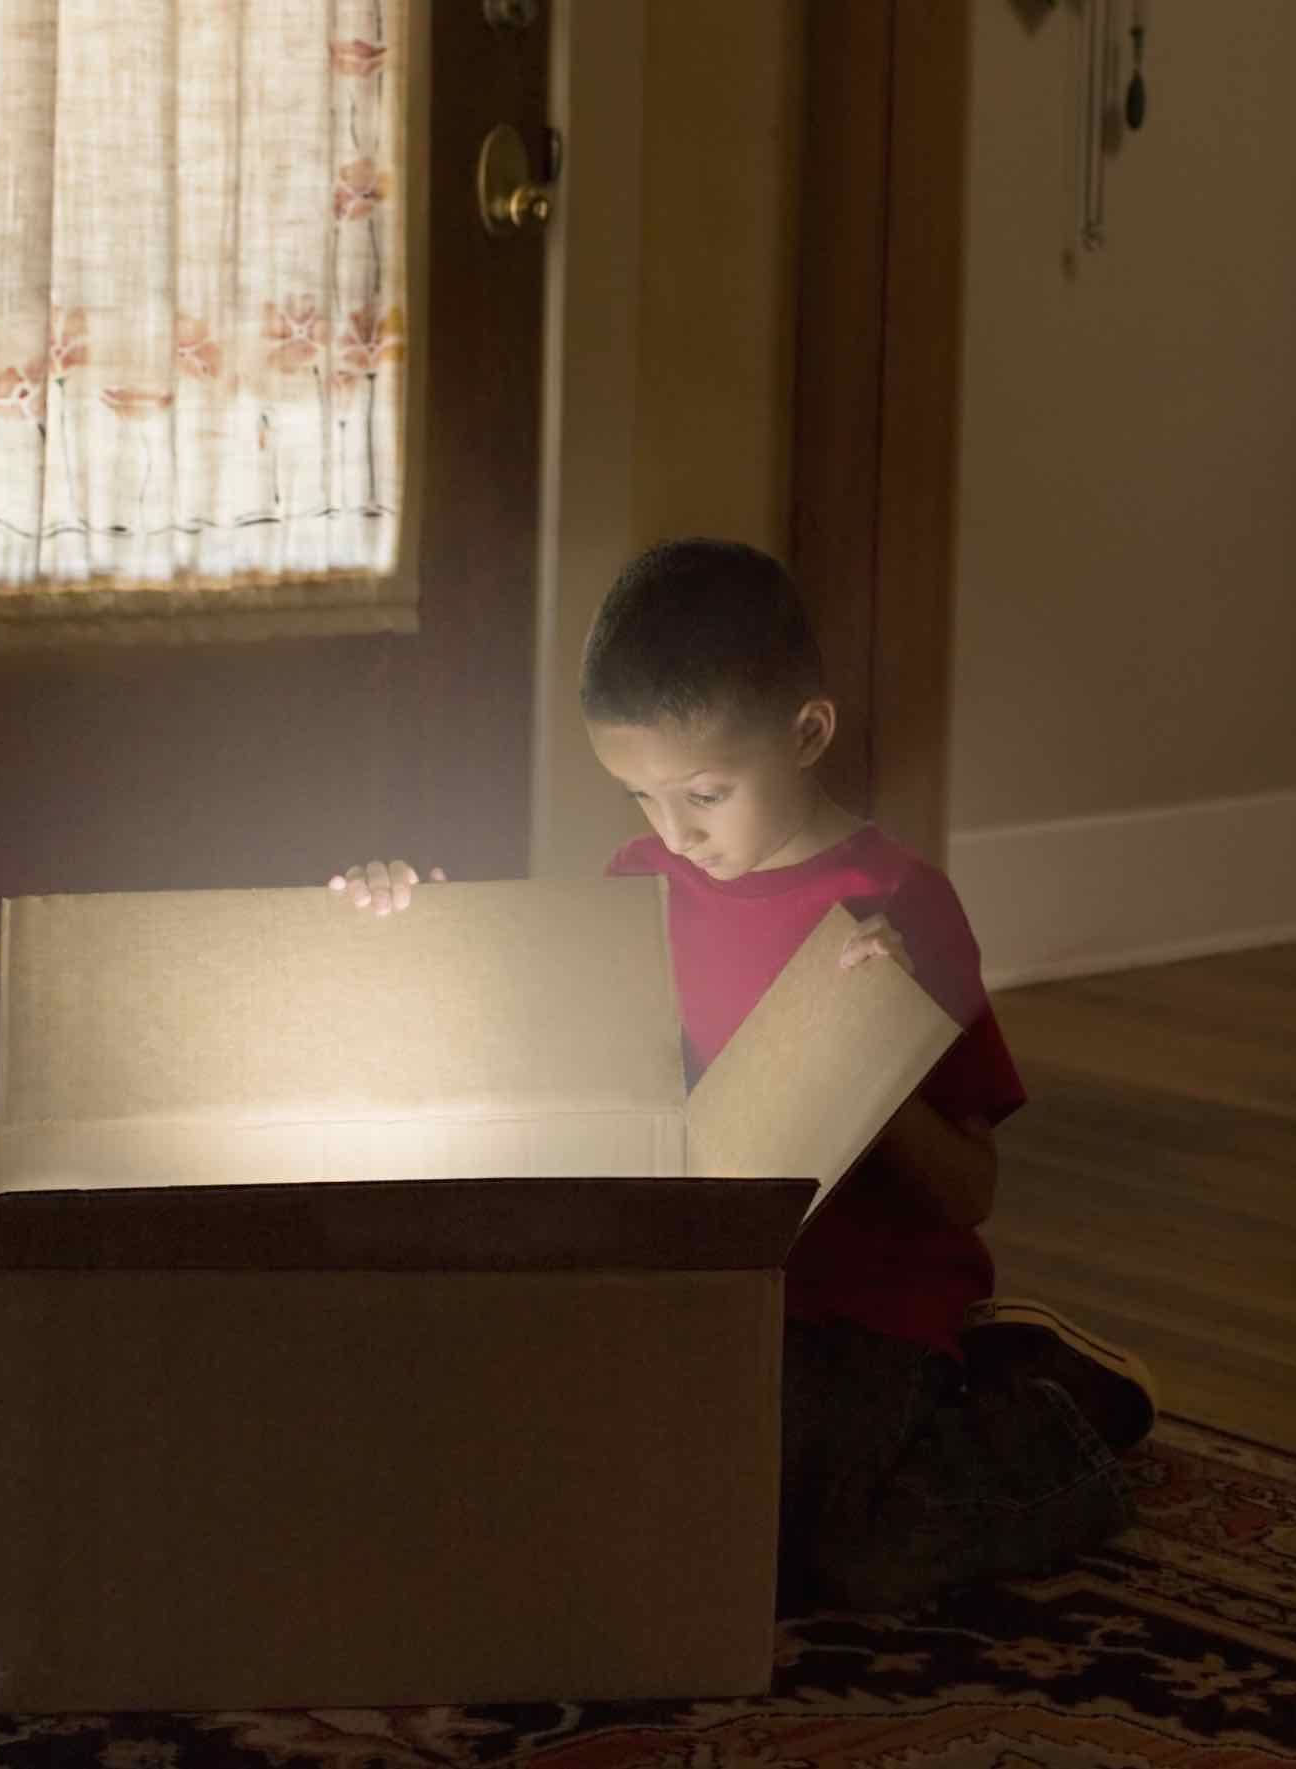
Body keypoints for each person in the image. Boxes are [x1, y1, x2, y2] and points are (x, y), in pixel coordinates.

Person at [330, 537, 1156, 1614]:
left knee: (830, 1552)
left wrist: (875, 1052)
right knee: (616, 1486)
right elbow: (565, 1060)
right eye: (637, 794)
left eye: (706, 793)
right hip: (692, 1286)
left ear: (805, 732)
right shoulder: (639, 883)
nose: (674, 831)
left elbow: (968, 1190)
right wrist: (417, 924)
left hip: (860, 1304)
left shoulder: (892, 902)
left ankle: (1049, 1414)